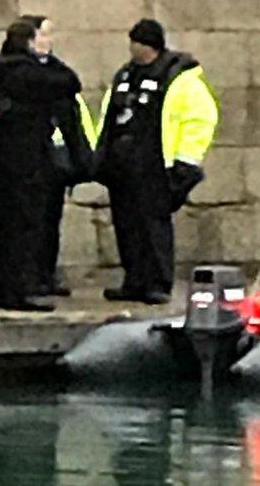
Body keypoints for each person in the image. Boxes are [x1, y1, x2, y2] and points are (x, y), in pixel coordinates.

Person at [97, 19, 219, 305]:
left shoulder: (179, 79)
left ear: (147, 45)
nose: (131, 49)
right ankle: (134, 280)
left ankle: (158, 282)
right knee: (126, 226)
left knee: (153, 225)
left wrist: (185, 162)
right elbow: (109, 116)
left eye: (135, 43)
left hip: (156, 164)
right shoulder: (125, 75)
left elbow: (199, 120)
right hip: (123, 165)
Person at [0, 21, 81, 311]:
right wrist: (47, 59)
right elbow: (70, 81)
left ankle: (2, 289)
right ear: (28, 42)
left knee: (5, 226)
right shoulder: (30, 74)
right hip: (27, 160)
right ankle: (21, 290)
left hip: (0, 159)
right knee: (26, 227)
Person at [19, 14, 97, 297]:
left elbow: (74, 116)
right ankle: (31, 277)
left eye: (49, 35)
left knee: (51, 220)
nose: (46, 41)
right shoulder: (24, 72)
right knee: (31, 221)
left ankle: (46, 274)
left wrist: (83, 157)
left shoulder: (59, 73)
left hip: (56, 157)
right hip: (31, 157)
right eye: (41, 35)